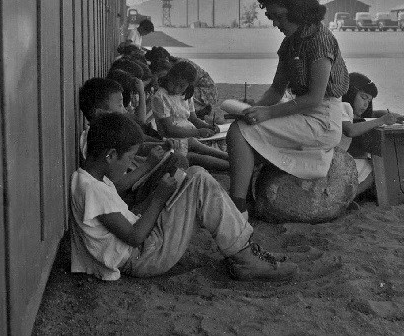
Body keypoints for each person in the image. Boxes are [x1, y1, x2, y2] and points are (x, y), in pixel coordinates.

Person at [70, 112, 298, 282]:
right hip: (142, 258)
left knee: (192, 175)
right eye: (129, 159)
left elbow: (122, 205)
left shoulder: (92, 180)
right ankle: (245, 256)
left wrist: (166, 191)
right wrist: (159, 198)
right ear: (110, 155)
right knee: (199, 181)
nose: (130, 165)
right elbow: (134, 237)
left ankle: (244, 249)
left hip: (143, 249)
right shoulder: (91, 190)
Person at [225, 0, 349, 214]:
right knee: (242, 125)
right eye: (272, 18)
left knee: (238, 133)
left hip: (322, 120)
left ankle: (238, 206)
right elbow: (276, 90)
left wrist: (268, 112)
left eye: (280, 17)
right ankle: (242, 201)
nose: (276, 23)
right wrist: (253, 110)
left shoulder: (320, 40)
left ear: (298, 10)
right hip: (303, 111)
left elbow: (314, 98)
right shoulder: (290, 43)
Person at [78, 77, 188, 206]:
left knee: (179, 162)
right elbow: (116, 186)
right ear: (100, 113)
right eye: (120, 105)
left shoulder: (105, 134)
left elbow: (136, 147)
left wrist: (161, 146)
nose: (124, 110)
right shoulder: (94, 141)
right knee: (178, 162)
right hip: (127, 198)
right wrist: (148, 165)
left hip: (132, 187)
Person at [152, 61, 230, 172]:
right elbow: (169, 130)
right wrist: (198, 132)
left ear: (189, 85)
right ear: (169, 77)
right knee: (198, 158)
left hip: (188, 136)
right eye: (174, 83)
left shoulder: (186, 94)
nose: (176, 89)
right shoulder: (160, 97)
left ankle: (234, 159)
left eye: (182, 86)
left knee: (210, 151)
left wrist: (207, 126)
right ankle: (235, 167)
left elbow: (193, 119)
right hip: (172, 142)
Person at [339, 73, 404, 196]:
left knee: (376, 162)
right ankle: (348, 198)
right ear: (350, 93)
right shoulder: (341, 108)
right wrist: (382, 120)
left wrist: (395, 116)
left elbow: (373, 113)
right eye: (363, 97)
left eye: (369, 101)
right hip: (337, 161)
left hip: (342, 157)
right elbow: (350, 130)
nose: (366, 104)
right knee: (377, 167)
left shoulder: (349, 110)